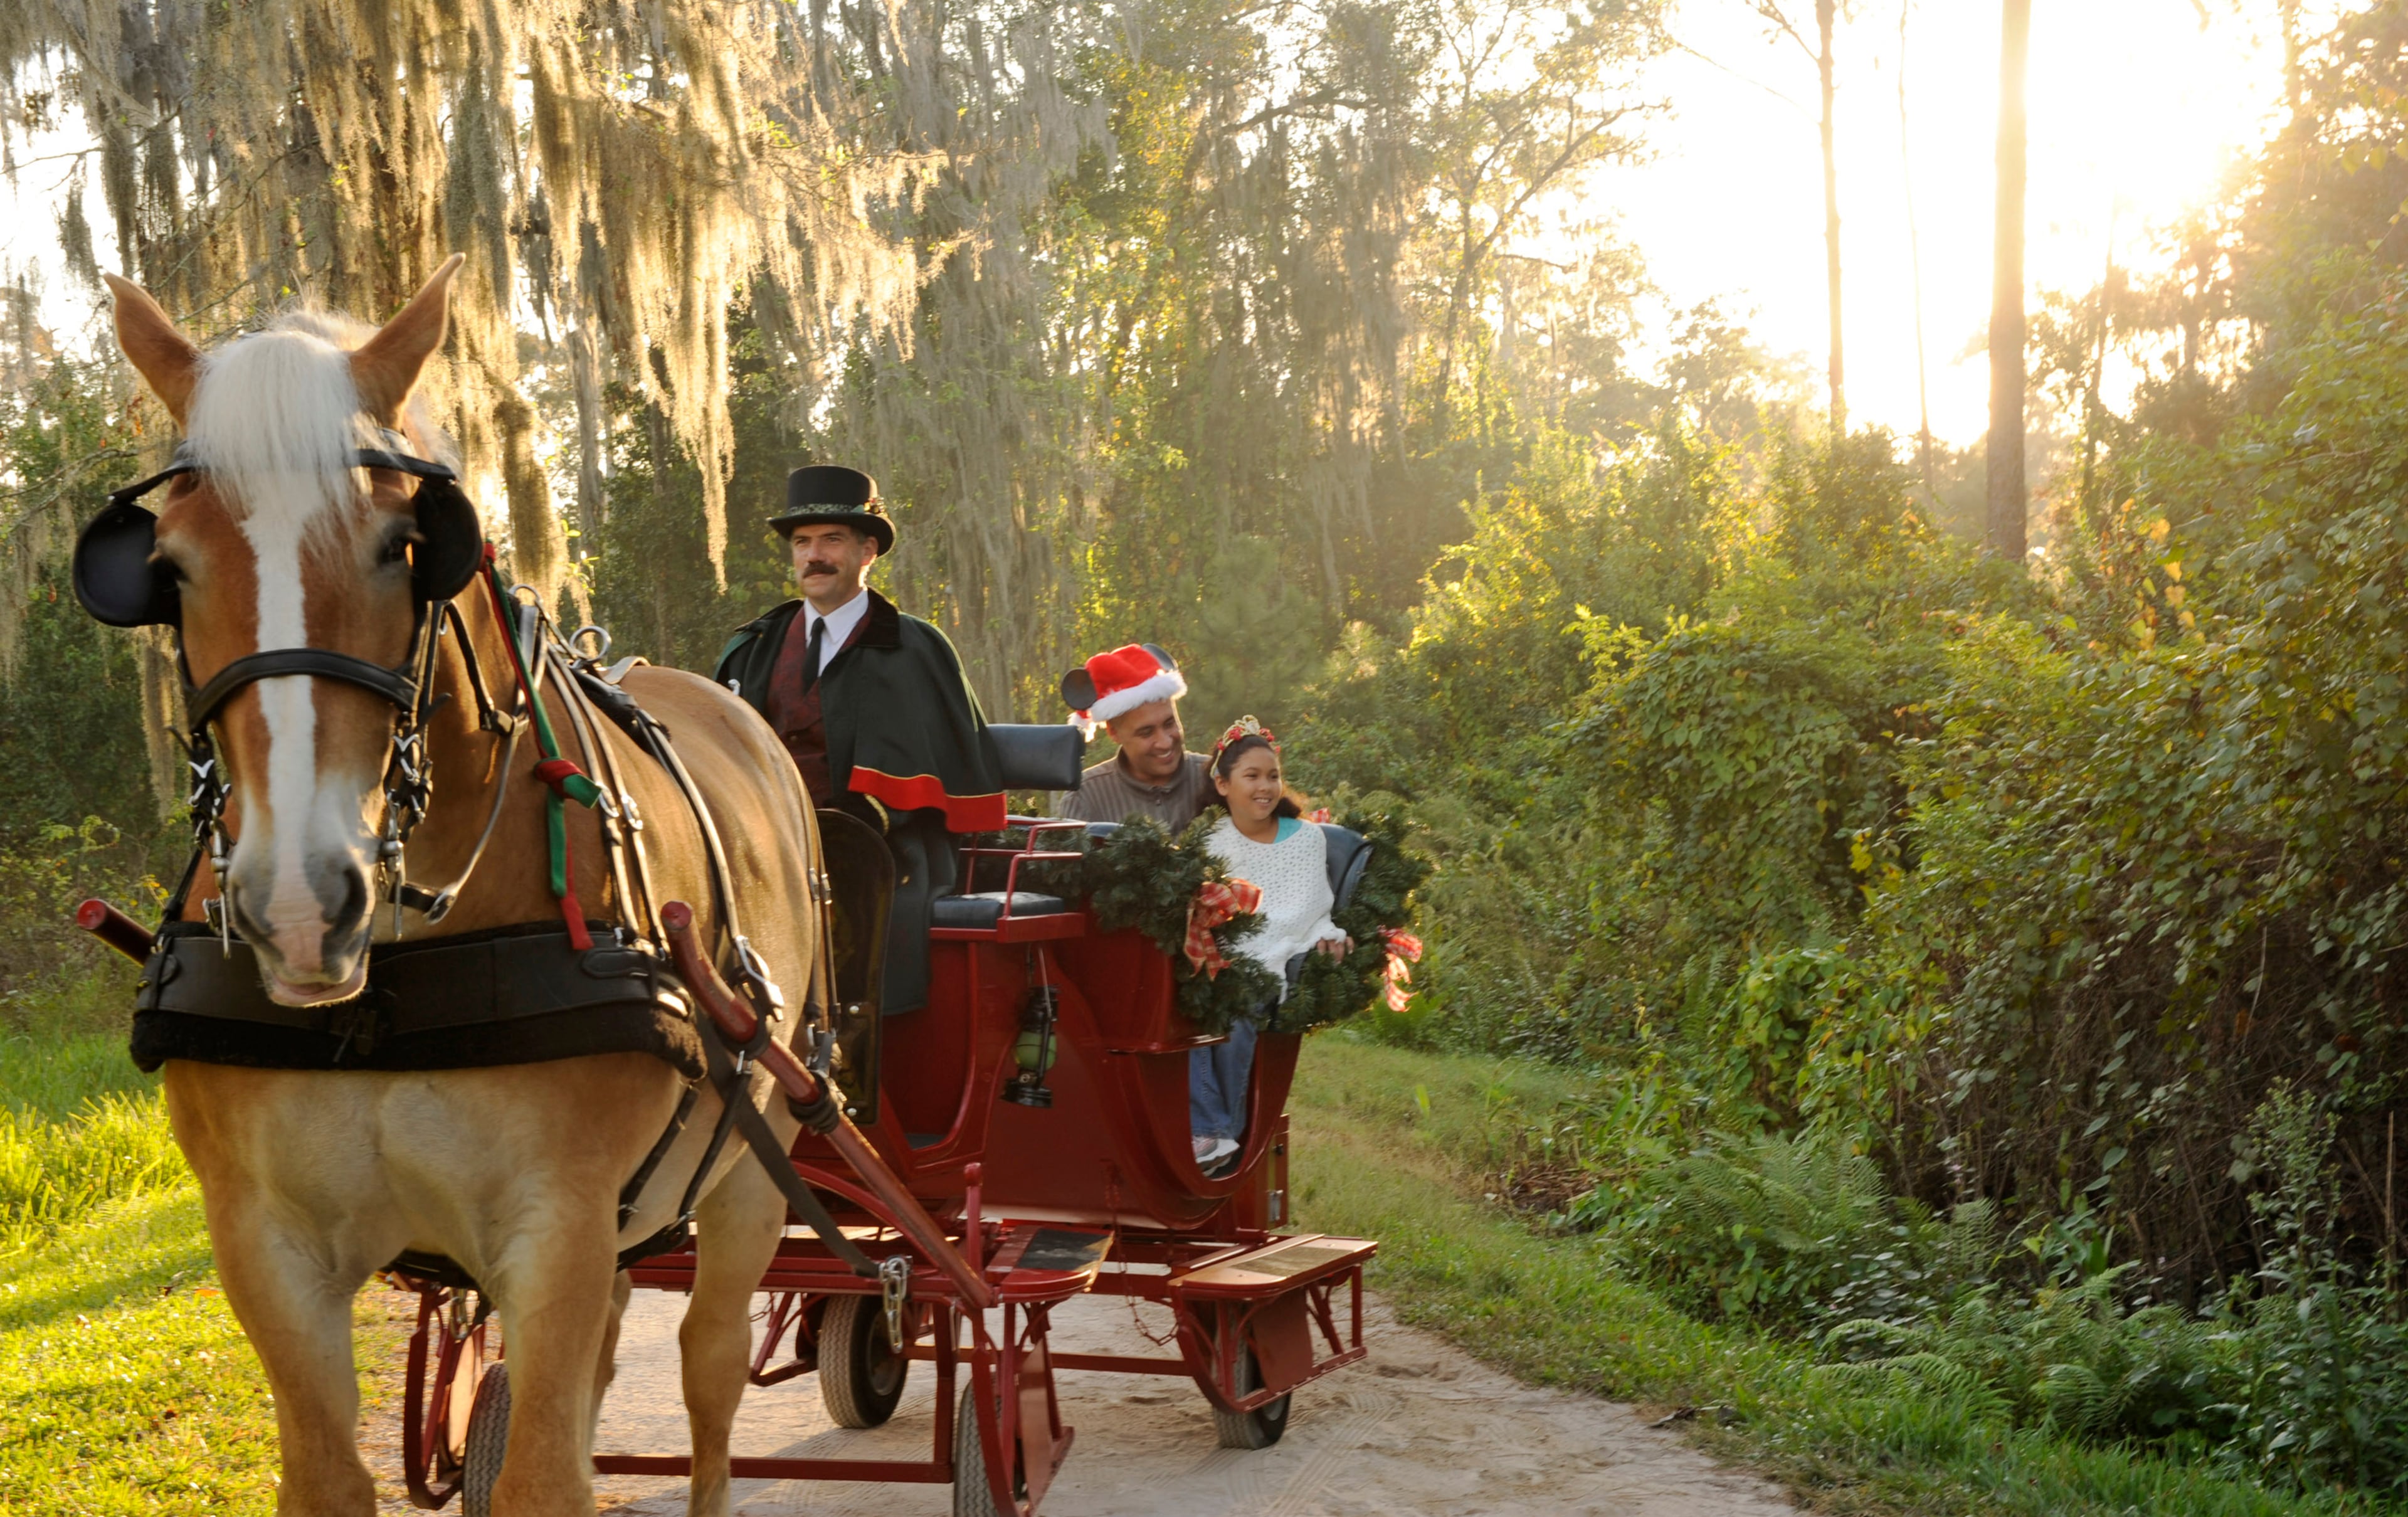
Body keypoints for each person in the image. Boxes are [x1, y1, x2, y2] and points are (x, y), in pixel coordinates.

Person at [716, 465, 1006, 1014]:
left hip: (880, 846)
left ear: (868, 550)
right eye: (802, 542)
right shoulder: (753, 645)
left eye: (831, 539)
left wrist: (857, 817)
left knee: (851, 901)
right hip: (763, 835)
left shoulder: (914, 647)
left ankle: (851, 1040)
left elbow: (933, 761)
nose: (813, 555)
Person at [1191, 715, 1349, 1172]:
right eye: (1252, 776)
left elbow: (1308, 906)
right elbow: (1203, 901)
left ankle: (1220, 1133)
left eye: (1273, 775)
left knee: (1238, 1012)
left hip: (1271, 955)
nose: (1266, 787)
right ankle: (1212, 1129)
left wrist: (1321, 935)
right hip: (1219, 951)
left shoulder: (1306, 839)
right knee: (1190, 1006)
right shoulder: (1212, 838)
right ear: (1223, 784)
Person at [1055, 643, 1215, 829]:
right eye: (1146, 733)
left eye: (1169, 724)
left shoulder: (1216, 778)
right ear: (1114, 733)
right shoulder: (1084, 799)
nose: (1164, 743)